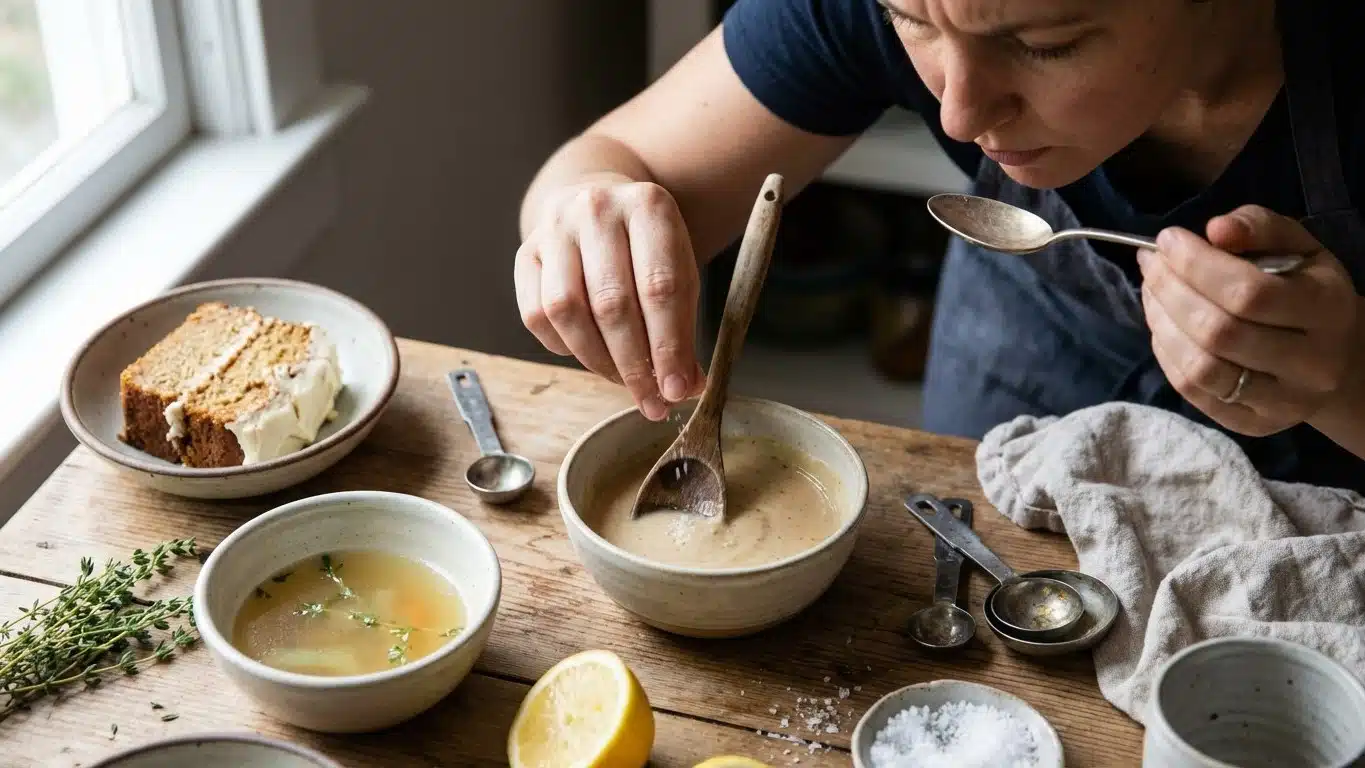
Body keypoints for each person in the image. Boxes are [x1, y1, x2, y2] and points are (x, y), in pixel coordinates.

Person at [514, 0, 1365, 492]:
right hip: (1024, 362)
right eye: (910, 20)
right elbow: (612, 163)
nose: (957, 115)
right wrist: (584, 217)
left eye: (1042, 43)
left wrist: (1347, 377)